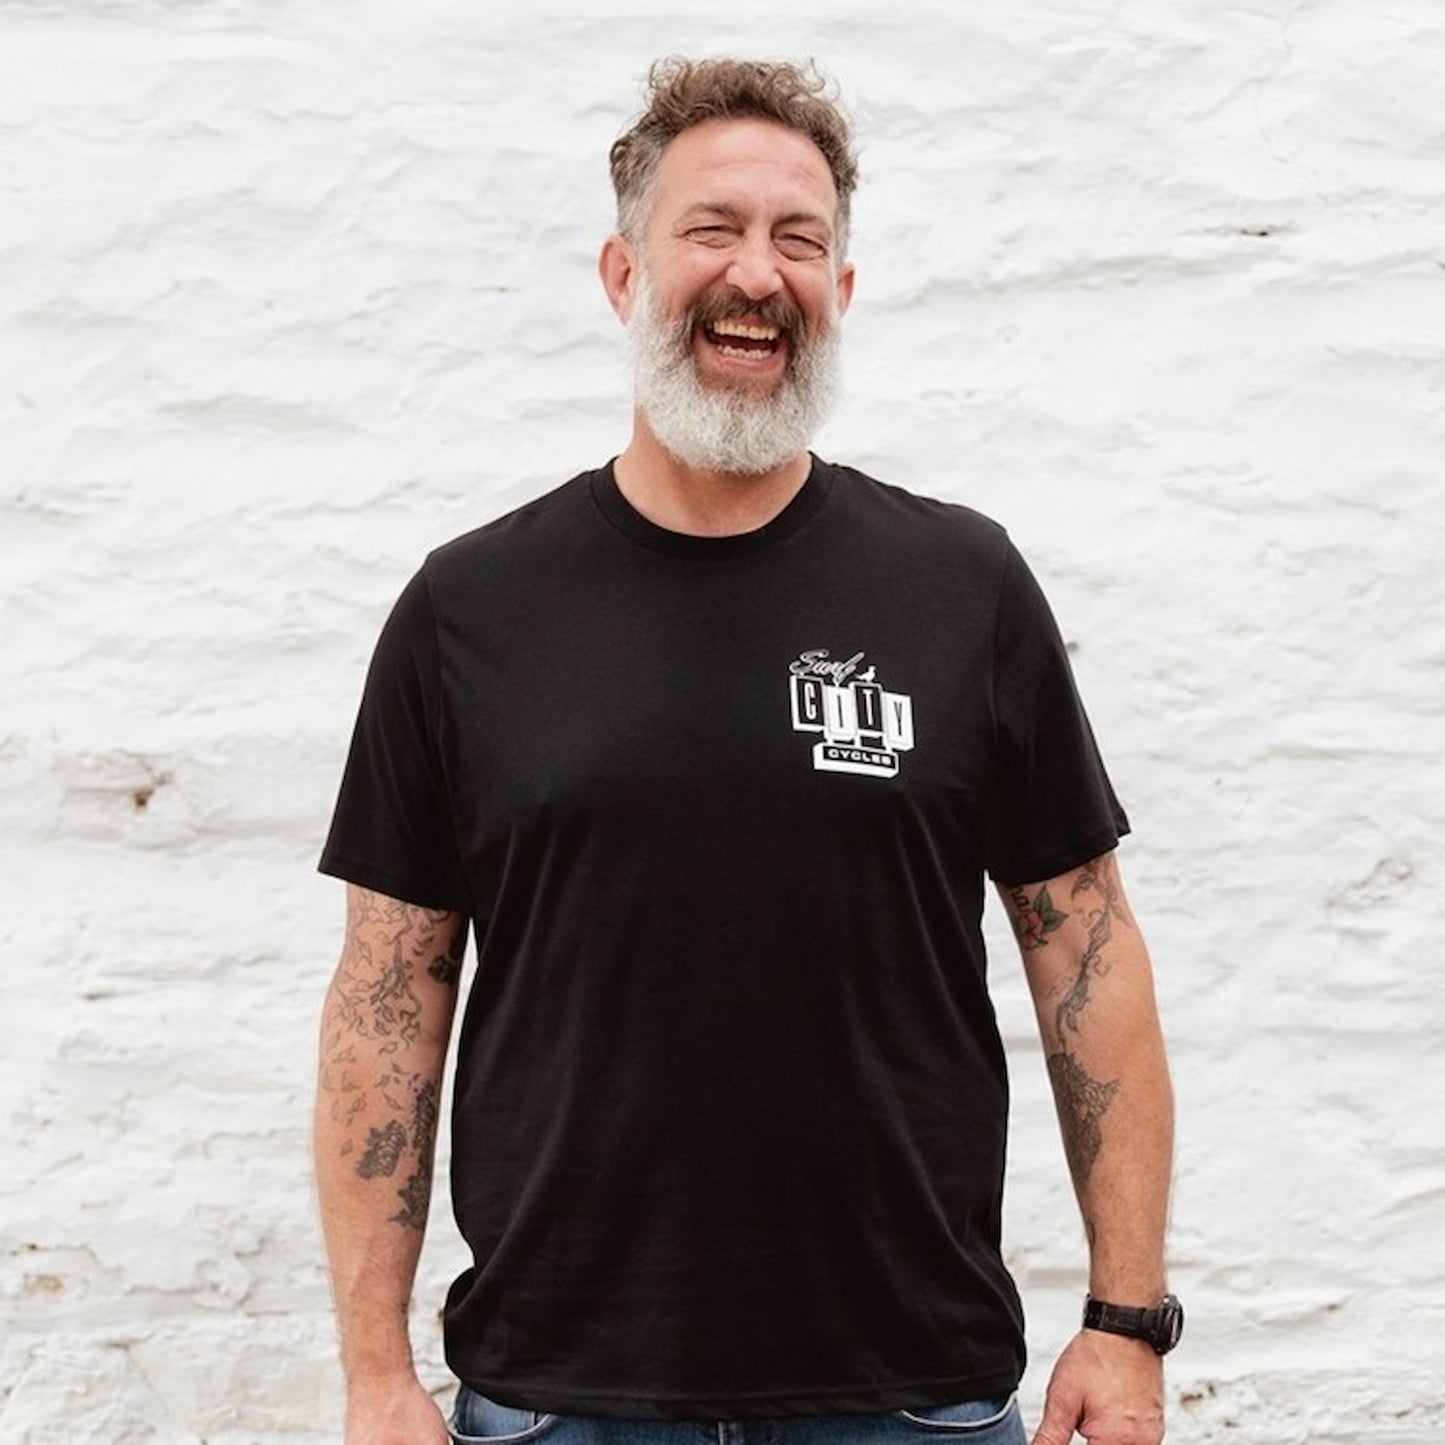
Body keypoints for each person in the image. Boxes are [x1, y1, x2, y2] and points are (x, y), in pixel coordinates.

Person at [313, 57, 1178, 1445]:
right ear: (620, 269)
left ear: (842, 285)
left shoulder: (961, 584)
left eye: (800, 239)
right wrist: (373, 1373)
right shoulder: (467, 610)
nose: (756, 275)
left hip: (909, 1390)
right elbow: (386, 993)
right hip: (557, 1395)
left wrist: (1125, 1318)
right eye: (710, 229)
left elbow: (1081, 943)